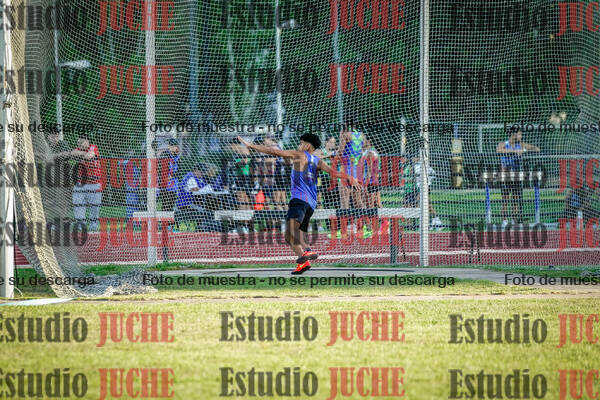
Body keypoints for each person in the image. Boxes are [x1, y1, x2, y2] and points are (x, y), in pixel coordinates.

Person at [237, 133, 361, 275]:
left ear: (307, 145)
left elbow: (272, 151)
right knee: (289, 236)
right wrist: (349, 177)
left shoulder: (299, 155)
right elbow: (333, 173)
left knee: (292, 229)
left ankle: (307, 250)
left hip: (299, 200)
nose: (299, 145)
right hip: (311, 204)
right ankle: (304, 262)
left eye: (301, 142)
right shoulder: (318, 161)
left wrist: (250, 145)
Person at [496, 127, 540, 227]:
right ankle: (504, 221)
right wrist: (514, 151)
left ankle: (514, 220)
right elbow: (499, 150)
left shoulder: (521, 145)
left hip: (516, 175)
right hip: (506, 175)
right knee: (505, 199)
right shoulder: (503, 143)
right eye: (519, 134)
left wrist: (524, 150)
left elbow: (537, 149)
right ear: (513, 134)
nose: (521, 136)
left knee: (515, 199)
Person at [70, 133, 102, 230]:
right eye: (78, 142)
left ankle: (93, 227)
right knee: (78, 205)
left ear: (87, 141)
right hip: (80, 183)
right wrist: (81, 153)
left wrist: (81, 154)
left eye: (81, 142)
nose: (79, 144)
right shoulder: (78, 149)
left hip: (94, 183)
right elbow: (72, 153)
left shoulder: (93, 147)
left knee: (95, 208)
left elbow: (89, 156)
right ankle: (80, 226)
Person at [336, 129, 365, 235]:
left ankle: (344, 229)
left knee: (345, 201)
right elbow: (362, 153)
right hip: (356, 171)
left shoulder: (345, 134)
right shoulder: (361, 135)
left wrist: (333, 154)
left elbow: (340, 152)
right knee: (358, 201)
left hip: (345, 171)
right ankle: (364, 227)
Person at [157, 138, 180, 212]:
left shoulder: (177, 157)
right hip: (165, 184)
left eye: (175, 145)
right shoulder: (165, 155)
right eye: (172, 145)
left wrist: (173, 175)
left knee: (171, 205)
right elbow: (160, 168)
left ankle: (169, 219)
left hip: (174, 184)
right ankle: (163, 218)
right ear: (169, 146)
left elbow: (179, 170)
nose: (174, 147)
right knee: (165, 205)